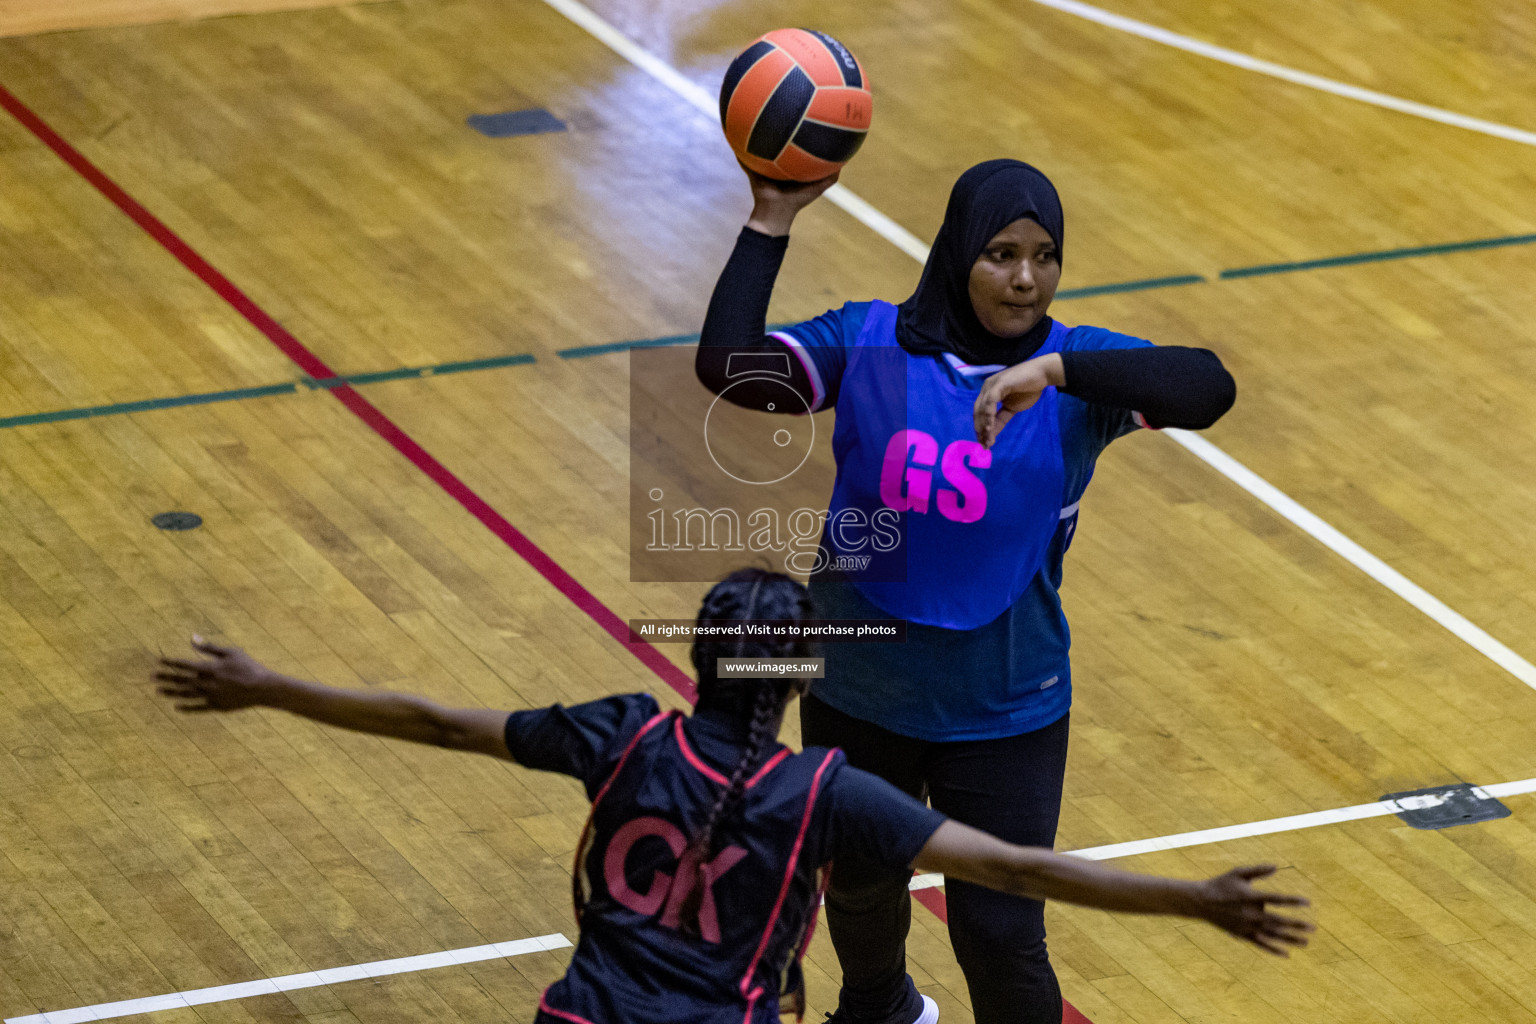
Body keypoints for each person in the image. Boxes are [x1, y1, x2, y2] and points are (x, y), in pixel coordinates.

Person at [155, 570, 1308, 1024]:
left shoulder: (623, 735)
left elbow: (431, 719)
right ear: (805, 674)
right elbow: (1016, 867)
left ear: (700, 658)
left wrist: (269, 687)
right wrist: (1192, 900)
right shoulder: (823, 791)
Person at [694, 160, 1239, 1024]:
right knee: (864, 888)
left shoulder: (1081, 374)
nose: (1025, 278)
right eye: (1000, 254)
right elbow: (729, 366)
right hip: (861, 687)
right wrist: (769, 221)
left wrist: (1057, 372)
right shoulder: (869, 341)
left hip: (1007, 706)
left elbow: (1210, 387)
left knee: (998, 930)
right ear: (956, 254)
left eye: (1044, 255)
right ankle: (880, 1011)